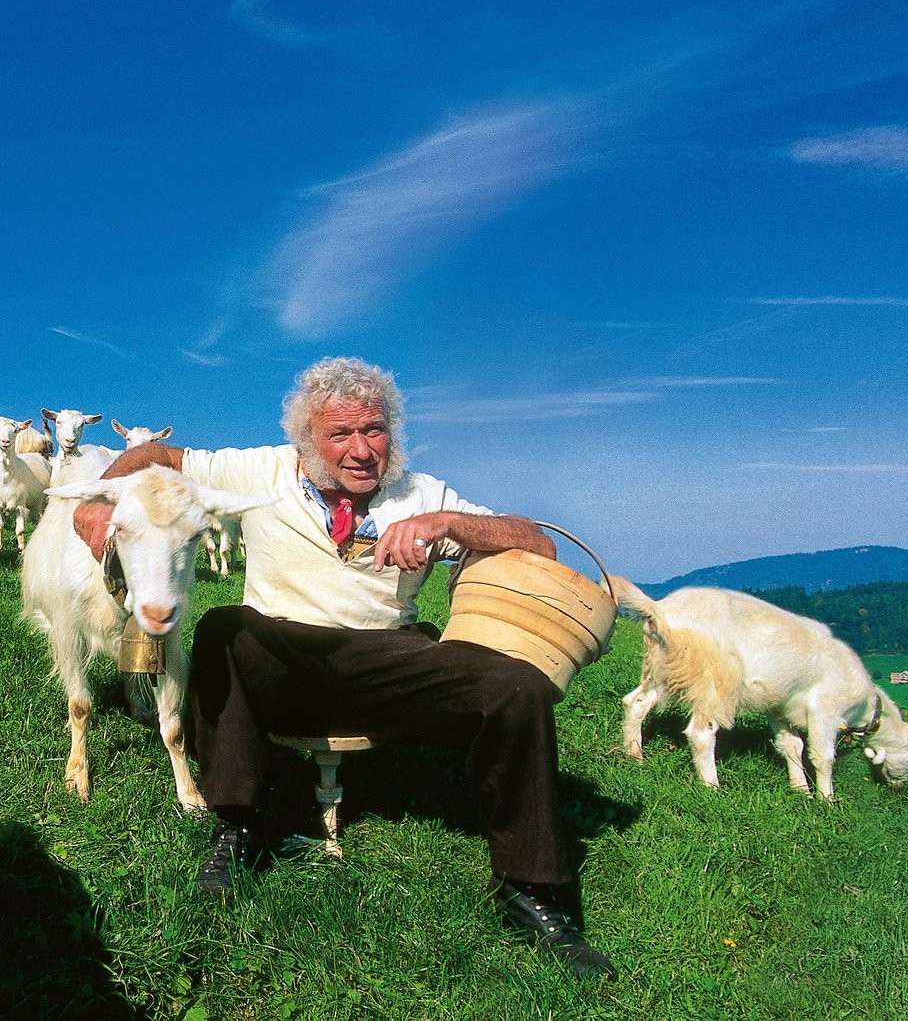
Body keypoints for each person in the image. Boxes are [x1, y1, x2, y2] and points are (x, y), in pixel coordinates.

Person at [72, 356, 615, 980]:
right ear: (307, 439)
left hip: (391, 662)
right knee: (225, 629)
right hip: (284, 656)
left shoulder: (421, 493)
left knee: (516, 685)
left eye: (374, 431)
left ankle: (529, 890)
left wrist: (445, 524)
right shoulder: (262, 470)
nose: (361, 450)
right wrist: (97, 498)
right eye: (340, 435)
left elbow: (536, 543)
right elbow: (161, 459)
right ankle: (240, 829)